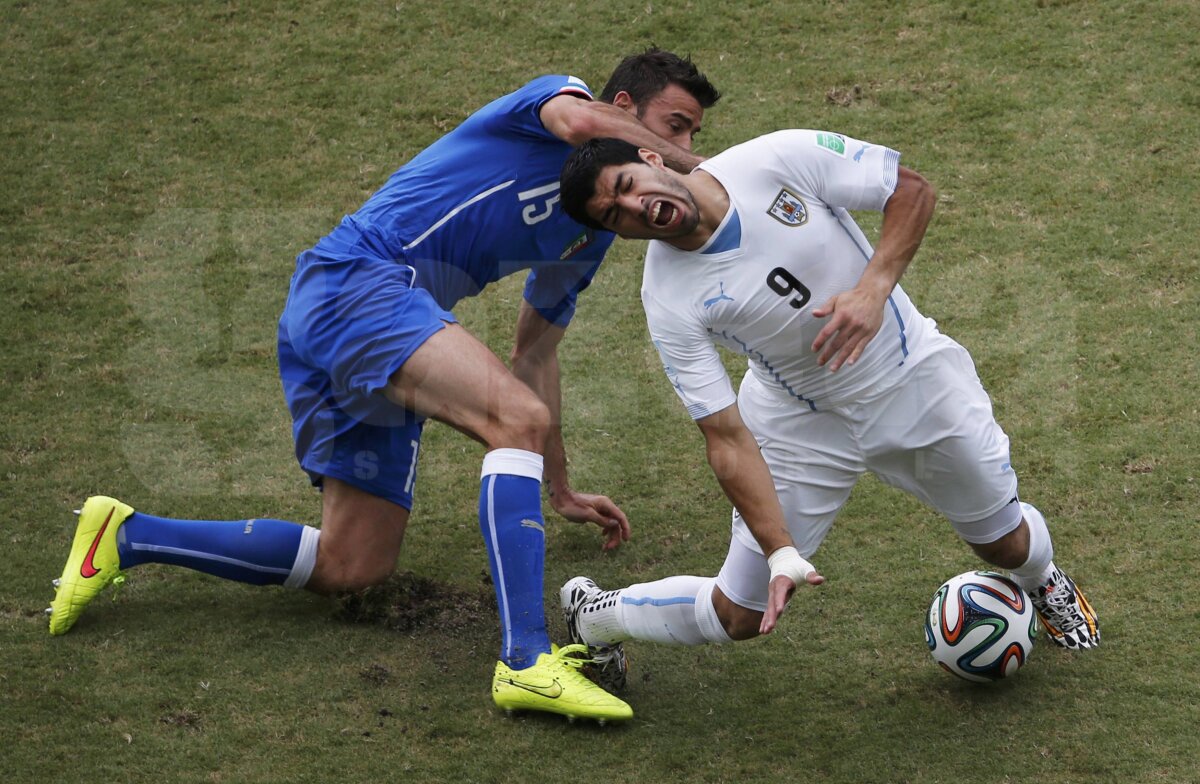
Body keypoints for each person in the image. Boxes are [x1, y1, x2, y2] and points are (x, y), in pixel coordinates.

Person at [47, 49, 722, 724]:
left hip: (381, 321)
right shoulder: (555, 105)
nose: (682, 144)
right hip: (359, 281)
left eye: (693, 136)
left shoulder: (595, 229)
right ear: (626, 110)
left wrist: (561, 485)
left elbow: (536, 351)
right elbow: (578, 124)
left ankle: (127, 536)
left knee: (352, 562)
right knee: (513, 419)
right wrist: (705, 174)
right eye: (675, 123)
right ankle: (525, 661)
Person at [554, 133, 1100, 692]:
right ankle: (596, 613)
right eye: (613, 215)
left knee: (1004, 544)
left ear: (651, 160)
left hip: (914, 381)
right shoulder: (668, 298)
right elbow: (724, 436)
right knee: (739, 614)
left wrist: (872, 290)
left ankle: (1043, 581)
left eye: (626, 186)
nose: (634, 206)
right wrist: (780, 548)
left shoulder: (772, 160)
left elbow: (909, 190)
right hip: (797, 422)